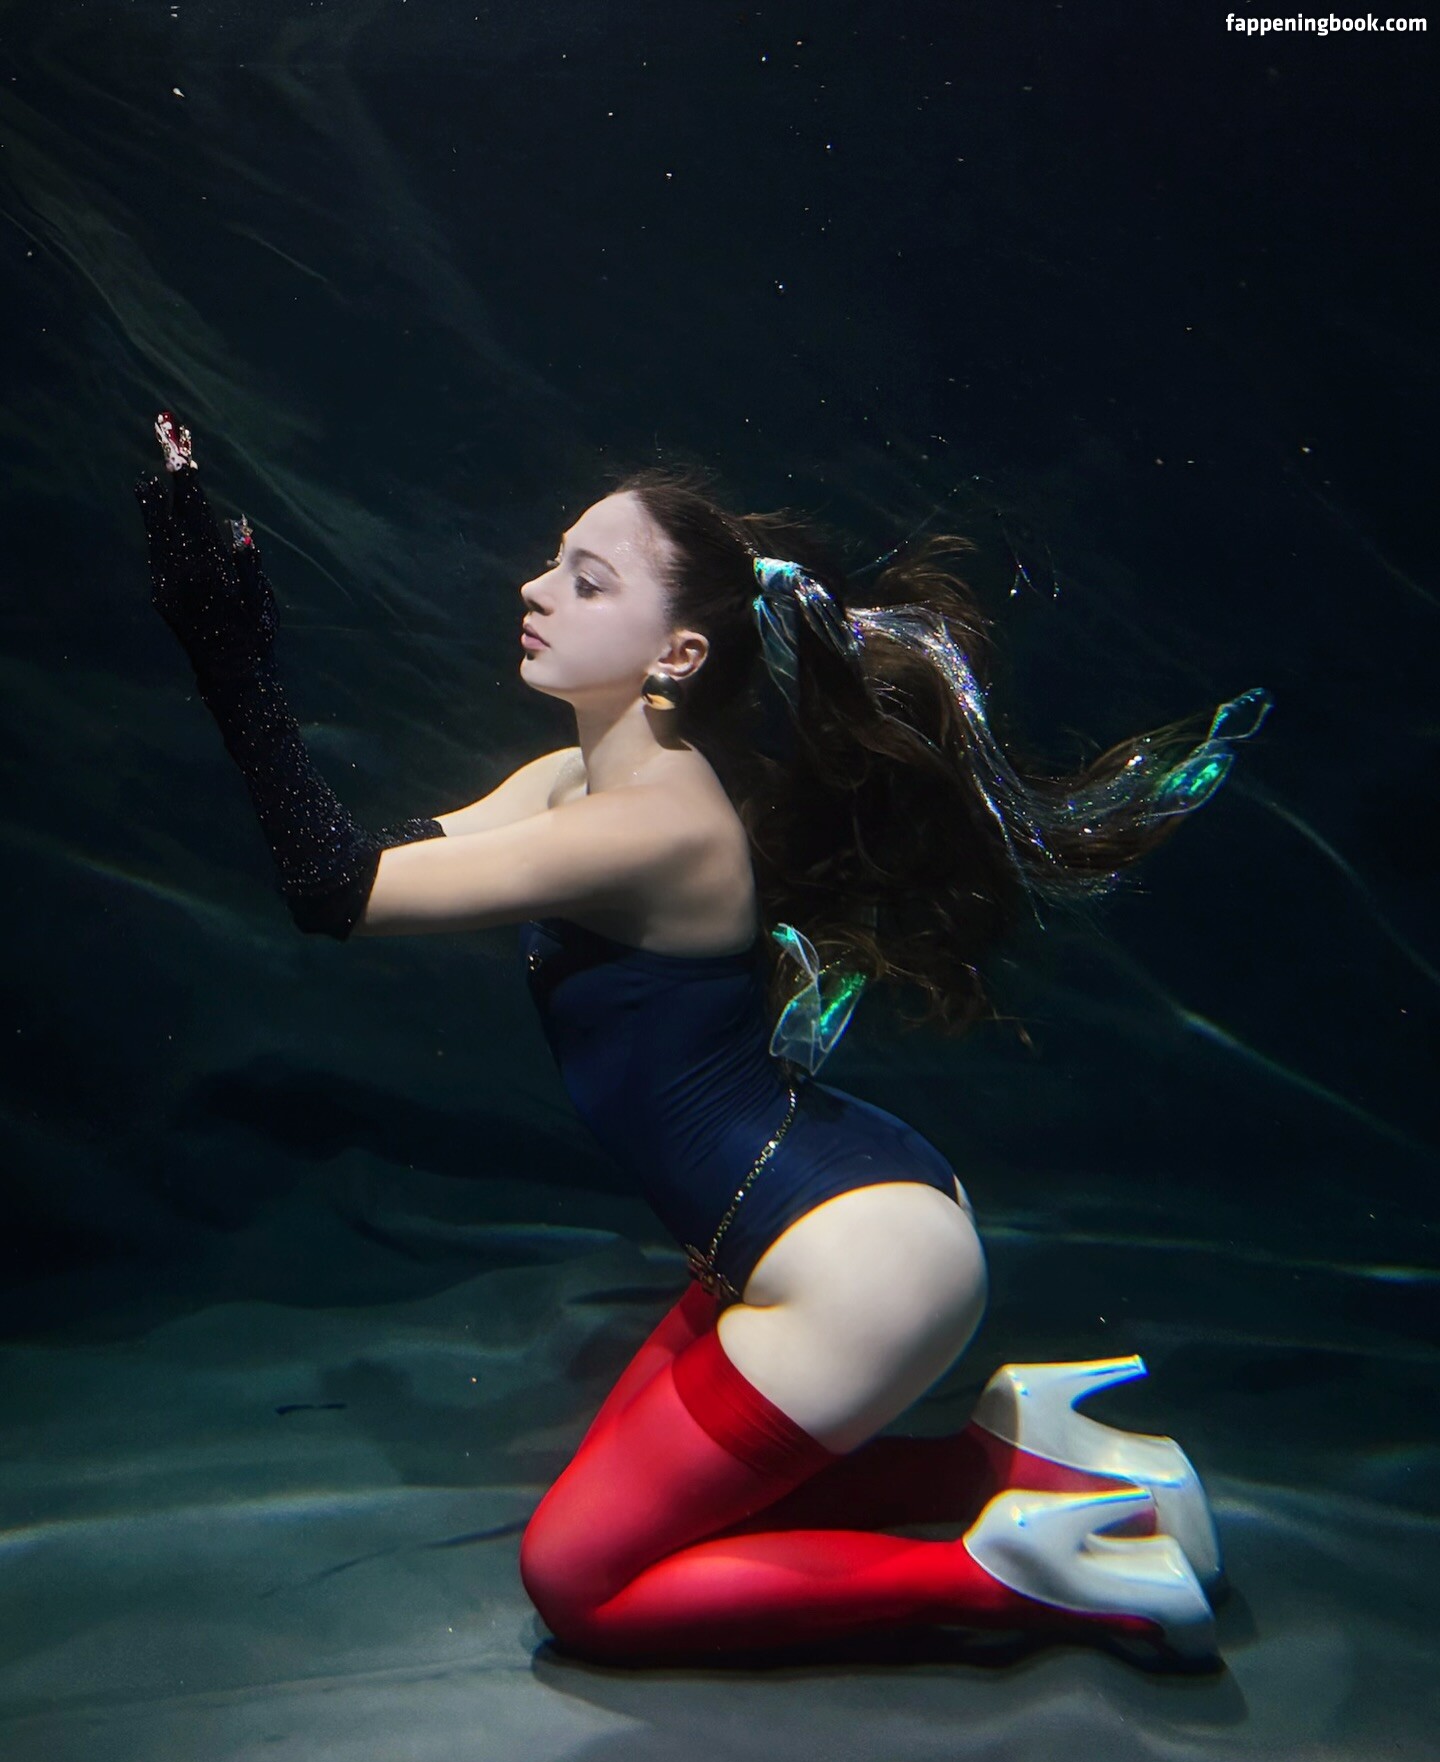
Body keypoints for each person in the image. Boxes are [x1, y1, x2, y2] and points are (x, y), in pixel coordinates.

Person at [136, 413, 1270, 1669]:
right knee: (683, 1506)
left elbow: (328, 888)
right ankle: (1030, 1462)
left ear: (677, 652)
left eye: (586, 579)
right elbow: (360, 862)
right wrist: (237, 643)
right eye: (553, 562)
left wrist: (229, 656)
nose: (534, 589)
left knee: (580, 1581)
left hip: (855, 1262)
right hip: (804, 1215)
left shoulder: (656, 824)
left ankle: (1037, 1579)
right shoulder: (571, 785)